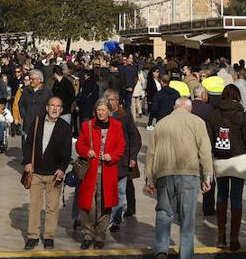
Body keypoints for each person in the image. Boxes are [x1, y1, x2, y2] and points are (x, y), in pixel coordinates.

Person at [145, 97, 213, 259]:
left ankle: (161, 250)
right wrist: (207, 176)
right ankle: (186, 255)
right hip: (189, 174)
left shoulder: (161, 123)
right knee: (187, 217)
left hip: (164, 174)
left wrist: (149, 178)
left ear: (174, 107)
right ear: (189, 108)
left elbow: (151, 153)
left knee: (163, 212)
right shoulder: (197, 122)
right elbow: (205, 151)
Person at [206, 84, 246, 251]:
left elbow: (209, 140)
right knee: (236, 198)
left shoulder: (213, 114)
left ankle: (220, 237)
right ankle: (234, 239)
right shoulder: (241, 115)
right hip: (238, 159)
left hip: (220, 160)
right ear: (237, 96)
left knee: (221, 196)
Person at [75, 97, 124, 249]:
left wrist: (112, 156)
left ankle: (100, 235)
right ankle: (88, 234)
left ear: (109, 112)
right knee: (88, 204)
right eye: (98, 109)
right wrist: (86, 151)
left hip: (108, 171)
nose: (101, 112)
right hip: (90, 171)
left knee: (104, 204)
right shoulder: (87, 125)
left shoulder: (117, 125)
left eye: (104, 110)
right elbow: (79, 144)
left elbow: (121, 146)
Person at [23, 96, 71, 250]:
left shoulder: (65, 127)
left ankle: (49, 236)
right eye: (52, 105)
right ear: (47, 107)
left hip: (54, 174)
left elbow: (67, 151)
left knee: (52, 207)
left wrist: (62, 169)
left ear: (61, 110)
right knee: (35, 206)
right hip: (36, 172)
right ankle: (32, 236)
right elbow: (28, 143)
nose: (55, 109)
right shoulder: (37, 121)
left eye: (58, 106)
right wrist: (28, 162)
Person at [105, 89, 141, 231]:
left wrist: (132, 157)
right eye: (107, 99)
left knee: (121, 191)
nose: (109, 102)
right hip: (107, 159)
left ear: (118, 101)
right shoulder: (102, 114)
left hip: (122, 159)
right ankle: (106, 217)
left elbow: (134, 137)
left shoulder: (124, 116)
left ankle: (116, 220)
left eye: (112, 99)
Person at [20, 70, 53, 158]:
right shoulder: (26, 90)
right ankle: (27, 160)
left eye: (33, 79)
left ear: (40, 80)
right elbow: (21, 104)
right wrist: (24, 115)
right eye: (30, 79)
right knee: (27, 143)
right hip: (28, 122)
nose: (31, 81)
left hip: (41, 123)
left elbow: (51, 106)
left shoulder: (47, 91)